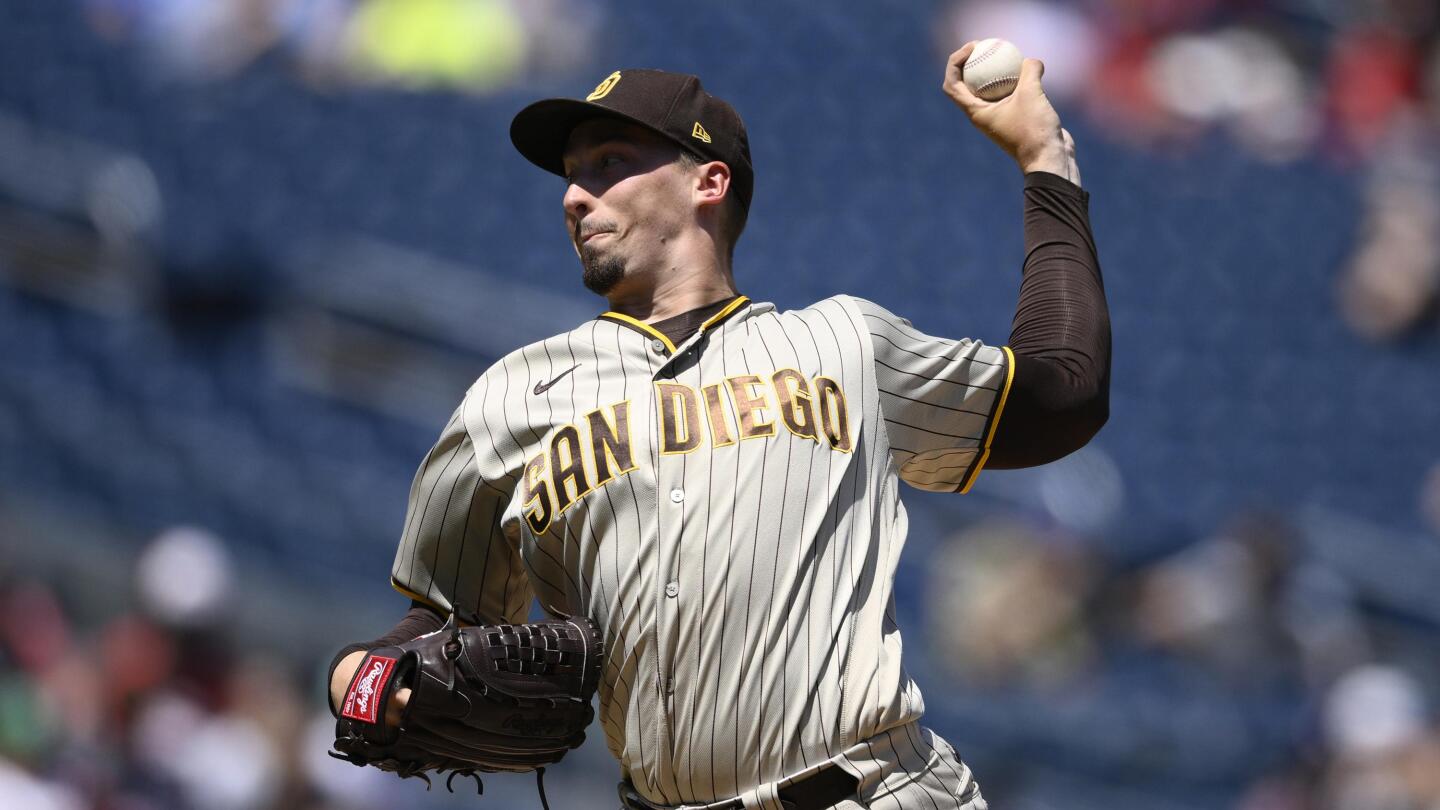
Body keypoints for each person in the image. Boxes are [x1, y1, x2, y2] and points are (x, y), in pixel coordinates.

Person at [328, 42, 1109, 810]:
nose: (574, 195)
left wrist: (1046, 159)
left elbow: (1065, 395)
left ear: (709, 180)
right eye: (572, 176)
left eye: (609, 162)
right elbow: (435, 622)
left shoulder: (844, 345)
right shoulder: (508, 396)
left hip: (874, 792)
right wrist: (358, 682)